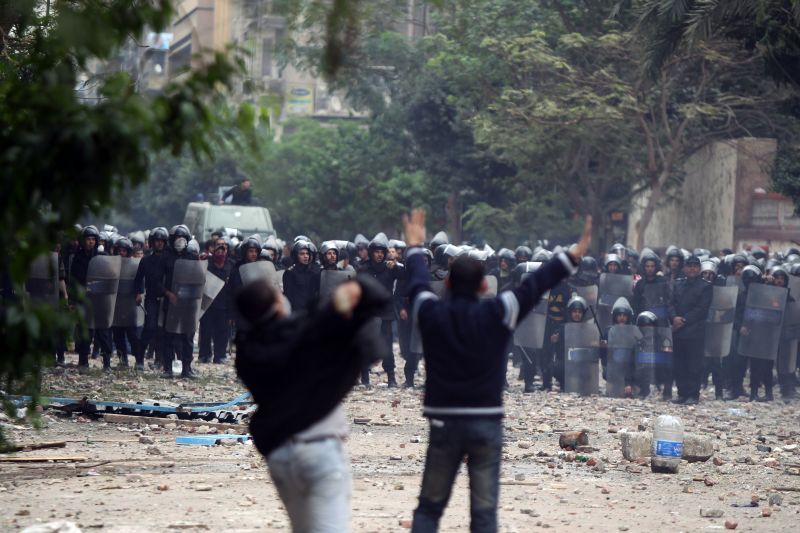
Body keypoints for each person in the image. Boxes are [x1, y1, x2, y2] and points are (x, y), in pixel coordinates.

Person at [403, 209, 591, 532]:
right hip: (486, 422)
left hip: (443, 421)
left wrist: (415, 248)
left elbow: (418, 284)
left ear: (446, 282)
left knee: (430, 509)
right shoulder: (499, 312)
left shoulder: (430, 313)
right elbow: (535, 285)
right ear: (483, 286)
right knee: (485, 514)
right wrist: (571, 255)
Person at [234, 275, 390, 533]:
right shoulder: (304, 333)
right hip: (319, 452)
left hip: (280, 455)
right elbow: (374, 298)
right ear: (277, 304)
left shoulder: (247, 352)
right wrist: (348, 290)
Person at [357, 233, 402, 387]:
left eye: (382, 252)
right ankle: (365, 378)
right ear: (371, 252)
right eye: (376, 251)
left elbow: (405, 276)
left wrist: (396, 265)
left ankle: (391, 378)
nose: (379, 254)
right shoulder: (363, 269)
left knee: (387, 346)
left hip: (386, 314)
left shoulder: (390, 268)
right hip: (368, 314)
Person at [669, 255, 712, 405]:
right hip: (678, 331)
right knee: (679, 365)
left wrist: (683, 320)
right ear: (685, 268)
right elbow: (671, 303)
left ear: (699, 269)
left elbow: (701, 309)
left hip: (695, 331)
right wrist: (674, 318)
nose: (692, 269)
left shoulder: (705, 286)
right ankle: (682, 393)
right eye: (689, 266)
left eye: (695, 266)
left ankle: (693, 395)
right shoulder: (678, 284)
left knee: (694, 365)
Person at [134, 227, 169, 370]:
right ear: (152, 243)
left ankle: (160, 360)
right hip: (152, 298)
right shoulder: (146, 260)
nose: (159, 244)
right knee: (150, 327)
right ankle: (140, 358)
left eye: (162, 241)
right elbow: (138, 279)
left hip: (166, 298)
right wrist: (138, 292)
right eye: (157, 241)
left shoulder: (170, 260)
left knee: (164, 330)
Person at [199, 239, 234, 364]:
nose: (221, 247)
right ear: (213, 248)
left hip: (224, 303)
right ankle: (204, 354)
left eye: (224, 245)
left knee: (222, 331)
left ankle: (220, 355)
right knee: (206, 330)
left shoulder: (231, 264)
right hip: (208, 303)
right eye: (218, 245)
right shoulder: (206, 262)